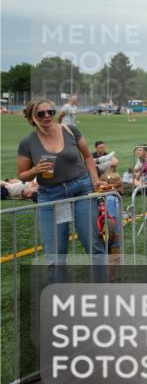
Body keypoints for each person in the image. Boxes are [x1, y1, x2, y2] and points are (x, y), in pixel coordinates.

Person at [16, 98, 107, 279]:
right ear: (32, 118)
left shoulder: (69, 130)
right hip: (51, 197)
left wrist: (95, 181)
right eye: (41, 113)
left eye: (50, 111)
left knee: (93, 243)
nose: (47, 116)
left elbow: (88, 158)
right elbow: (22, 175)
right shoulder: (28, 143)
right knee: (55, 254)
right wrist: (35, 170)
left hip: (81, 189)